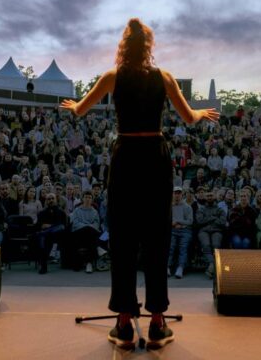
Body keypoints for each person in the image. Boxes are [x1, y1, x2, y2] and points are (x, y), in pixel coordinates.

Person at [60, 18, 219, 351]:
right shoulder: (164, 78)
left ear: (123, 45)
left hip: (126, 157)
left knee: (123, 240)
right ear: (149, 46)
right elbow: (188, 118)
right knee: (157, 237)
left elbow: (80, 111)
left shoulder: (112, 77)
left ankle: (124, 324)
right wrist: (202, 114)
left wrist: (74, 105)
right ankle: (158, 322)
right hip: (156, 158)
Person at [167, 186, 193, 278]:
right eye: (175, 193)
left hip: (185, 231)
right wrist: (173, 224)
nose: (177, 195)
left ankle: (180, 268)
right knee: (170, 246)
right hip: (173, 230)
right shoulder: (170, 206)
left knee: (183, 247)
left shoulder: (187, 207)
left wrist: (177, 222)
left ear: (182, 195)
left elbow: (190, 221)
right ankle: (168, 267)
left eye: (179, 193)